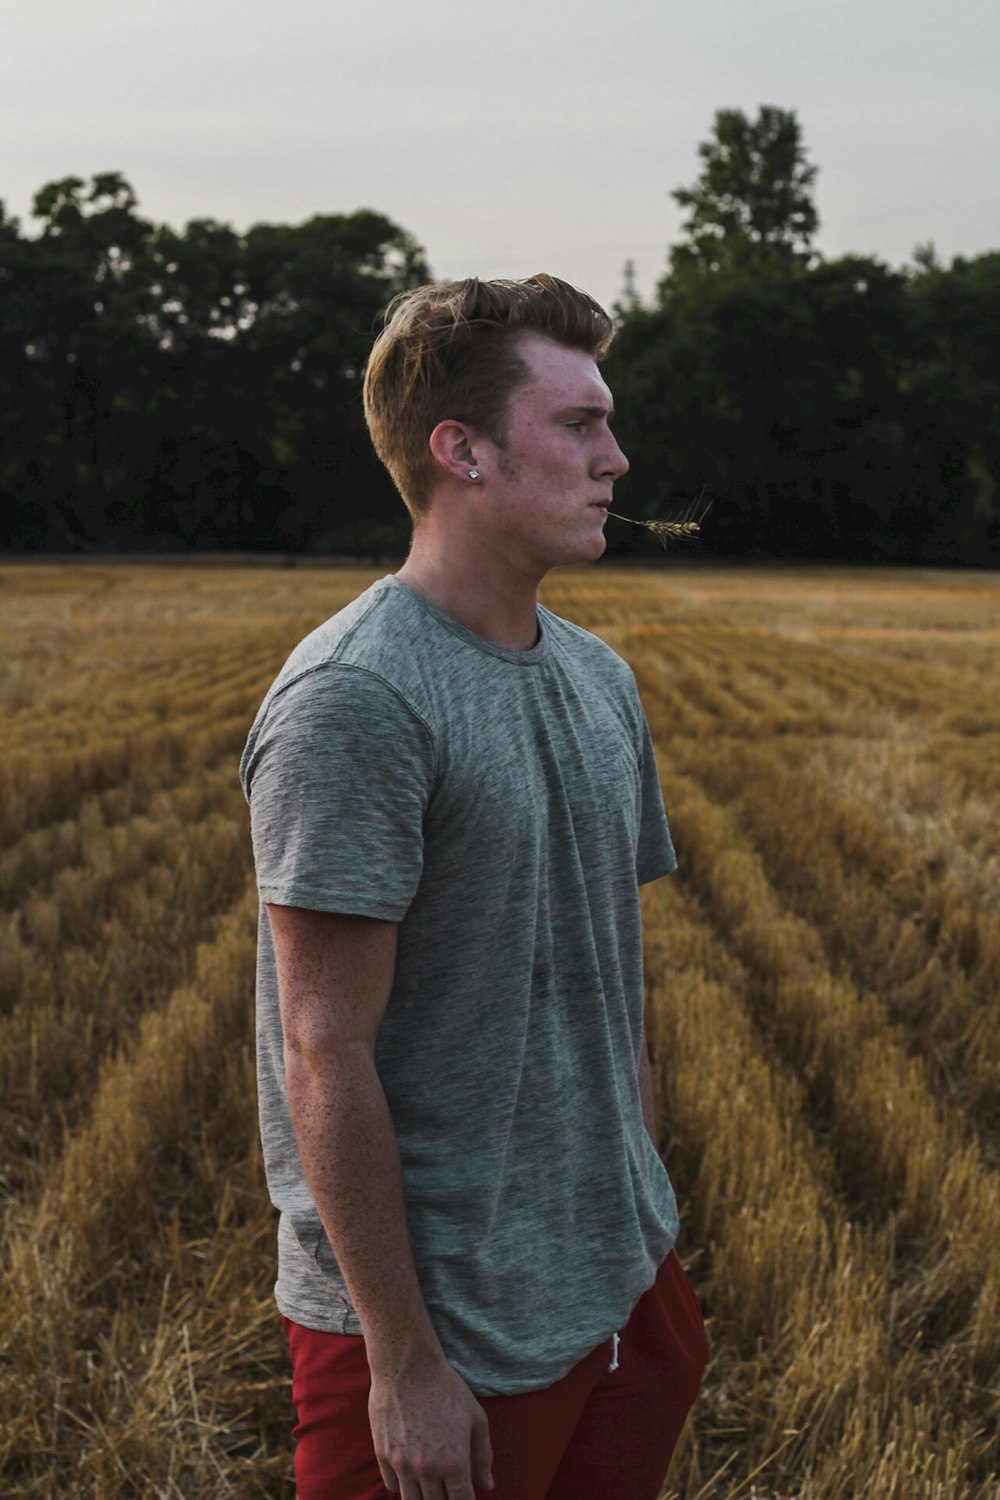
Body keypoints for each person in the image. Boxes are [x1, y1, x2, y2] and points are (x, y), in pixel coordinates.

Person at [240, 274, 707, 1500]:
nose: (615, 457)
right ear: (463, 452)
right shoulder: (356, 699)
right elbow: (321, 1054)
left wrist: (641, 1221)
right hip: (441, 1336)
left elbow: (608, 982)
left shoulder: (601, 679)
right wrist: (401, 1362)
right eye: (577, 425)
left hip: (619, 1286)